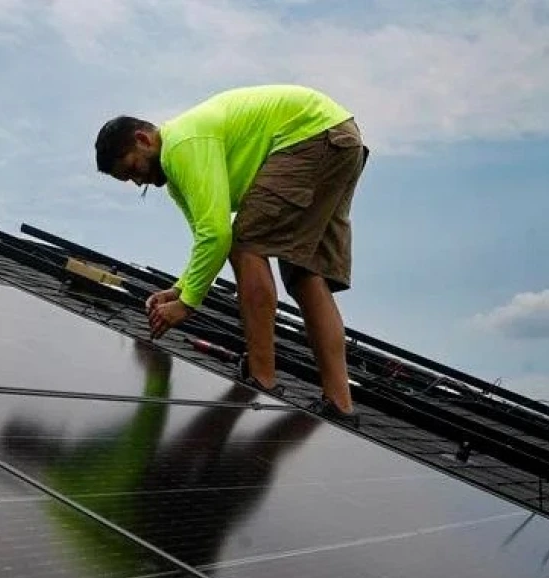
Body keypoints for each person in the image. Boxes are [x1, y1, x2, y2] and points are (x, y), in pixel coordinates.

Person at [94, 84, 368, 426]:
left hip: (312, 137)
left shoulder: (182, 145)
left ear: (144, 139)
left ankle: (262, 380)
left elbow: (220, 237)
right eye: (130, 180)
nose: (138, 182)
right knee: (302, 274)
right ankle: (340, 406)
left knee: (246, 244)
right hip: (338, 138)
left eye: (133, 169)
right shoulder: (179, 174)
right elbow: (207, 242)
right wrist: (179, 289)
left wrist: (187, 304)